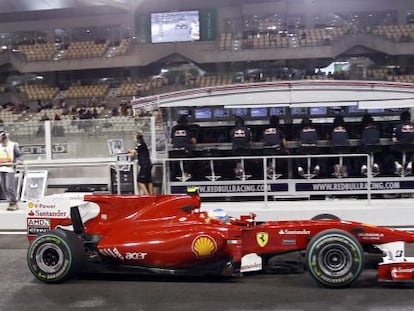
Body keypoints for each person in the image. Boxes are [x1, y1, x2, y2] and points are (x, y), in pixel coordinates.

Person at [0, 131, 23, 211]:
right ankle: (10, 202)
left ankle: (14, 202)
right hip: (1, 168)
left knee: (9, 186)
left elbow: (19, 155)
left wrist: (19, 160)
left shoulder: (13, 145)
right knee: (3, 187)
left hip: (10, 168)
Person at [169, 115, 196, 179]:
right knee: (192, 159)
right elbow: (194, 141)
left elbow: (170, 141)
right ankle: (188, 174)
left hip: (175, 152)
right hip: (186, 152)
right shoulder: (188, 128)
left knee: (174, 161)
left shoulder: (174, 128)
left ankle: (175, 174)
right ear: (186, 122)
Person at [392, 110, 414, 175]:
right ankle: (410, 164)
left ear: (401, 118)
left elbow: (394, 139)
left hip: (400, 147)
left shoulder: (397, 127)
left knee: (388, 151)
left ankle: (398, 164)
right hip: (412, 147)